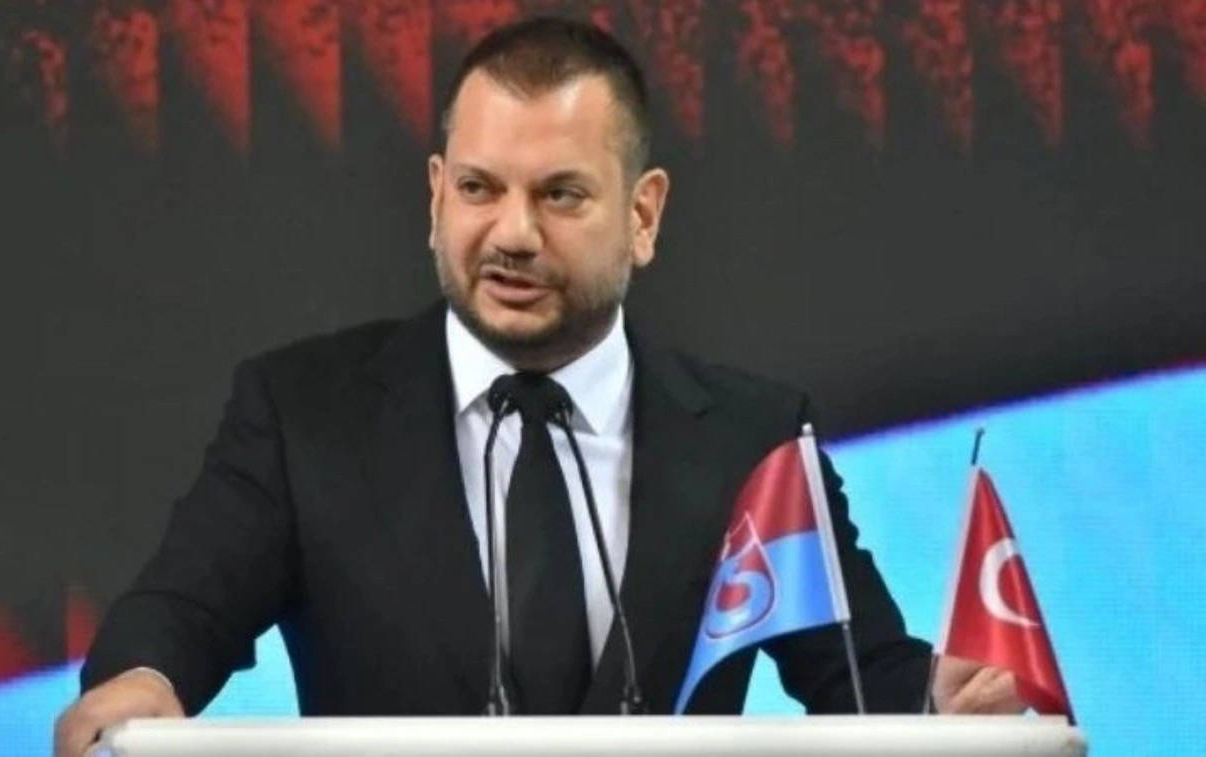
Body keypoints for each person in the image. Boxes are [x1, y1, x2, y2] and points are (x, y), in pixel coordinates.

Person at [54, 16, 1024, 756]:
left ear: (642, 216)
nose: (512, 233)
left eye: (559, 194)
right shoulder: (302, 412)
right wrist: (141, 679)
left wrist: (939, 701)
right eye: (478, 188)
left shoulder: (751, 437)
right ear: (435, 197)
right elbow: (182, 608)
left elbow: (857, 672)